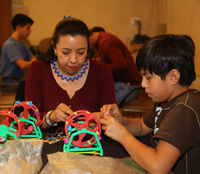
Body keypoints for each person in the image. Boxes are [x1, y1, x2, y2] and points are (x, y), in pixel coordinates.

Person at [100, 34, 200, 173]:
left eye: (148, 77)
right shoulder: (165, 101)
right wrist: (121, 121)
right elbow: (142, 126)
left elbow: (158, 166)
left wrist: (122, 135)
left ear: (173, 77)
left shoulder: (185, 108)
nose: (143, 84)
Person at [25, 17, 116, 129]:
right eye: (66, 52)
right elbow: (29, 121)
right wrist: (51, 117)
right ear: (54, 47)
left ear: (88, 48)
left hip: (90, 144)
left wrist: (99, 119)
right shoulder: (38, 70)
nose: (74, 59)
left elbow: (112, 118)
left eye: (81, 52)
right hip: (47, 143)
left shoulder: (101, 71)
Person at [89, 27, 142, 105]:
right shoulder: (104, 38)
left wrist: (102, 69)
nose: (90, 48)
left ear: (88, 38)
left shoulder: (105, 42)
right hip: (126, 82)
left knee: (102, 104)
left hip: (129, 84)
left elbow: (121, 64)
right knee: (97, 96)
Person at [0, 13, 37, 83]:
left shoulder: (21, 44)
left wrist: (32, 62)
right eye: (28, 28)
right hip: (11, 84)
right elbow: (22, 65)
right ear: (18, 28)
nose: (30, 31)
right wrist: (32, 63)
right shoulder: (10, 45)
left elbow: (33, 58)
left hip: (19, 81)